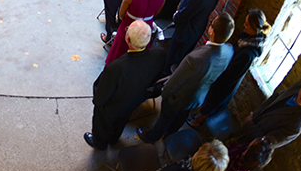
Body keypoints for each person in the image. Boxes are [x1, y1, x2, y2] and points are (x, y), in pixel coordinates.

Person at [137, 12, 235, 144]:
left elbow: (175, 81)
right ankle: (170, 135)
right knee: (181, 117)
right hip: (198, 97)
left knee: (165, 118)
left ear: (212, 31)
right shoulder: (229, 51)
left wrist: (165, 93)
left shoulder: (196, 59)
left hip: (179, 97)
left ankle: (152, 137)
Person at [84, 20, 166, 150]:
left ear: (127, 39)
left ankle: (99, 142)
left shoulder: (115, 68)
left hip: (113, 107)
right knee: (122, 120)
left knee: (103, 122)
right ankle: (114, 138)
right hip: (135, 100)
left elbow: (100, 97)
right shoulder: (159, 54)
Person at [188, 10, 271, 128]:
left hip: (226, 82)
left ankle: (199, 121)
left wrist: (218, 74)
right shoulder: (247, 38)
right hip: (225, 72)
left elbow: (232, 74)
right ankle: (199, 115)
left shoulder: (248, 54)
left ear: (255, 29)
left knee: (213, 101)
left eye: (247, 24)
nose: (243, 25)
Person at [163, 0, 225, 75]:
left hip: (186, 31)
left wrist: (176, 16)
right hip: (197, 27)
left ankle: (163, 79)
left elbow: (186, 14)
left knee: (173, 58)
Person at [236, 72, 301, 149]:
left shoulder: (297, 124)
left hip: (249, 146)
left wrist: (249, 124)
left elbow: (265, 144)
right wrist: (255, 115)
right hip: (250, 123)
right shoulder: (298, 86)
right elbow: (275, 97)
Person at [105, 0, 166, 66]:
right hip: (147, 27)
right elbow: (157, 12)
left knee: (119, 52)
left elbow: (121, 14)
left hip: (129, 25)